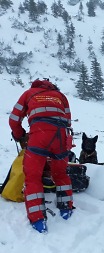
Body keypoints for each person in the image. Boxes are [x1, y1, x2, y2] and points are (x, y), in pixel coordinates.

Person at [9, 78, 74, 233]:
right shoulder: (60, 96)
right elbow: (68, 119)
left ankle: (38, 219)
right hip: (61, 136)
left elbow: (14, 119)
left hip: (39, 136)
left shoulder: (29, 94)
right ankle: (66, 210)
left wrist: (19, 134)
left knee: (33, 177)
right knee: (61, 174)